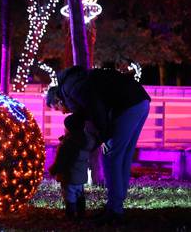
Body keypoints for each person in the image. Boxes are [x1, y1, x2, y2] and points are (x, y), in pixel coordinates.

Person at [46, 66, 151, 225]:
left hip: (127, 105)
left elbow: (95, 107)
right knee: (123, 156)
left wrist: (104, 135)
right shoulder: (74, 83)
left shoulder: (72, 88)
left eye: (58, 108)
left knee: (111, 156)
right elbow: (91, 108)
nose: (62, 112)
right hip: (138, 100)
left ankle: (114, 211)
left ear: (58, 100)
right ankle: (116, 206)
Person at [48, 111, 97, 220]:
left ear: (69, 129)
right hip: (81, 176)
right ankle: (81, 213)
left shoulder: (67, 145)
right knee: (80, 194)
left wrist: (53, 170)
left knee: (69, 196)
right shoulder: (86, 142)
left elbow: (61, 161)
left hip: (69, 177)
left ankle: (70, 215)